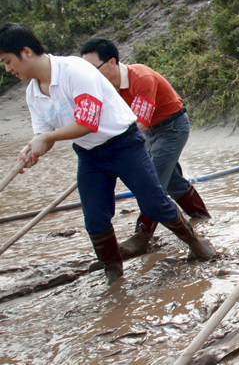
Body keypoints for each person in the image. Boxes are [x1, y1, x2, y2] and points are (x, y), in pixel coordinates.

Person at [0, 23, 216, 286]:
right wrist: (33, 148)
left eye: (7, 61)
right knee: (94, 216)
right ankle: (113, 273)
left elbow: (87, 122)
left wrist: (46, 137)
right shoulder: (33, 93)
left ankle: (195, 242)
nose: (7, 69)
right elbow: (44, 134)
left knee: (154, 202)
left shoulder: (74, 70)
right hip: (89, 154)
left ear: (25, 52)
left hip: (124, 144)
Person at [80, 38, 211, 260]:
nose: (89, 75)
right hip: (147, 133)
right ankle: (200, 215)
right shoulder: (103, 86)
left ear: (111, 62)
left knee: (153, 182)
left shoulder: (141, 78)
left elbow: (140, 124)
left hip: (171, 128)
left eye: (93, 68)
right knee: (170, 179)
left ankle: (141, 236)